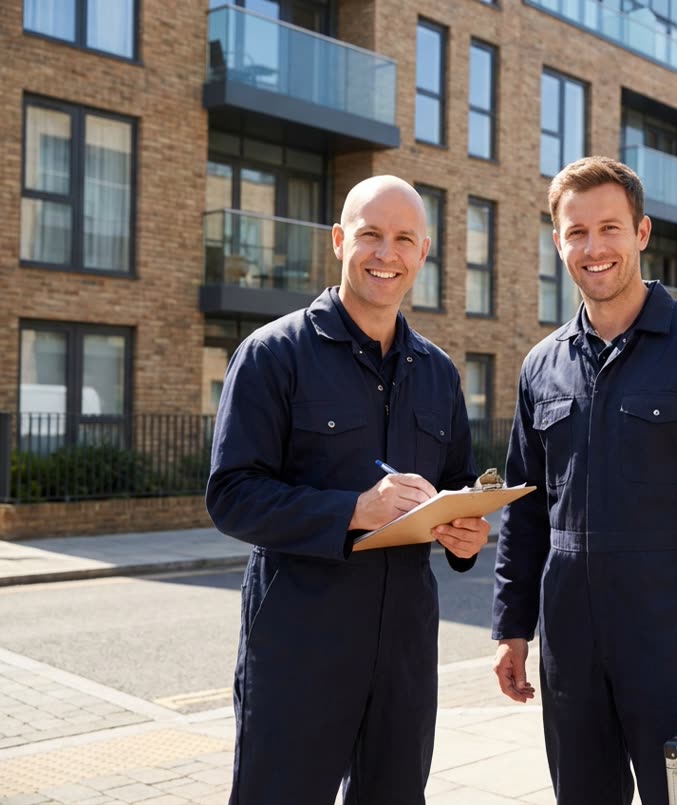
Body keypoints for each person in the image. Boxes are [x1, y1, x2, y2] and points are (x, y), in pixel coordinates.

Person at [491, 156, 677, 805]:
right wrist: (512, 626)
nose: (594, 248)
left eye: (610, 228)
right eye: (576, 232)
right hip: (569, 646)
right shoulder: (541, 366)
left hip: (674, 644)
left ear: (642, 232)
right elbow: (525, 509)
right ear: (558, 241)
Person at [207, 175, 490, 804]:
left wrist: (466, 533)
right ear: (339, 241)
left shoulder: (440, 373)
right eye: (370, 236)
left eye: (403, 240)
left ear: (423, 253)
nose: (385, 254)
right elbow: (231, 495)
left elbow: (455, 487)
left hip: (405, 653)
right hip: (299, 648)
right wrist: (355, 511)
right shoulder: (272, 355)